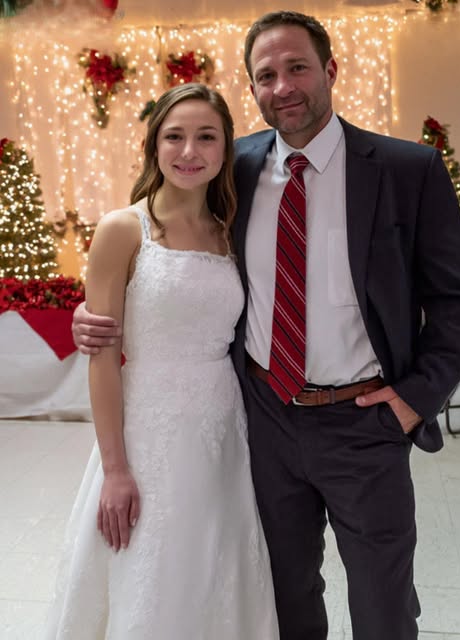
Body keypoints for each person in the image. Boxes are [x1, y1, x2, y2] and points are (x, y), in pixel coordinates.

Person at [72, 11, 460, 640]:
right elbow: (172, 262)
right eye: (266, 75)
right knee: (284, 596)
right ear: (253, 88)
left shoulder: (408, 170)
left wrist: (413, 401)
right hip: (262, 419)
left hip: (366, 421)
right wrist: (98, 313)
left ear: (330, 70)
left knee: (383, 604)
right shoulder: (231, 167)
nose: (283, 86)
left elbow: (456, 300)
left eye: (298, 68)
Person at [44, 84, 279, 640]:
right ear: (154, 146)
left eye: (206, 137)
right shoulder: (123, 229)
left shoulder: (230, 230)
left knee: (213, 570)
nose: (189, 151)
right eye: (174, 136)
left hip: (223, 432)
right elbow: (103, 357)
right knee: (150, 574)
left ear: (226, 148)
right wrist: (115, 470)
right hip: (148, 433)